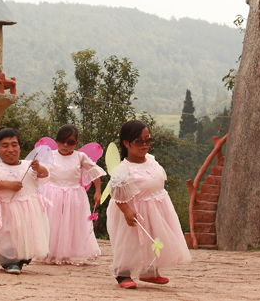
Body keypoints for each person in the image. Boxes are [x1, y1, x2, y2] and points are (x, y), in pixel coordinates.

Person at [106, 119, 191, 289]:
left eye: (148, 140)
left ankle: (149, 271)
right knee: (130, 242)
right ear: (126, 143)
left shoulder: (151, 160)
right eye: (139, 141)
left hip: (157, 208)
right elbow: (117, 194)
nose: (145, 144)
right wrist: (127, 210)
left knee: (154, 237)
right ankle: (122, 273)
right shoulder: (123, 169)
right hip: (134, 211)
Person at [0, 128, 51, 274]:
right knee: (7, 236)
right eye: (5, 146)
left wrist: (39, 168)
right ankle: (10, 262)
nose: (10, 149)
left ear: (19, 147)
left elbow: (45, 174)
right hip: (6, 209)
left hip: (28, 211)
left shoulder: (29, 165)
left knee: (26, 236)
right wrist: (9, 185)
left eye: (14, 145)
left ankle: (22, 259)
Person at [43, 124, 105, 265]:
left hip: (74, 194)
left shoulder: (80, 157)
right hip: (52, 192)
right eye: (61, 141)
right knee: (53, 221)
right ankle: (50, 251)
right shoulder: (50, 155)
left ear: (76, 143)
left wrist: (98, 191)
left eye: (70, 142)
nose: (65, 145)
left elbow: (94, 172)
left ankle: (69, 252)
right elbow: (40, 171)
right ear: (57, 140)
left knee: (72, 222)